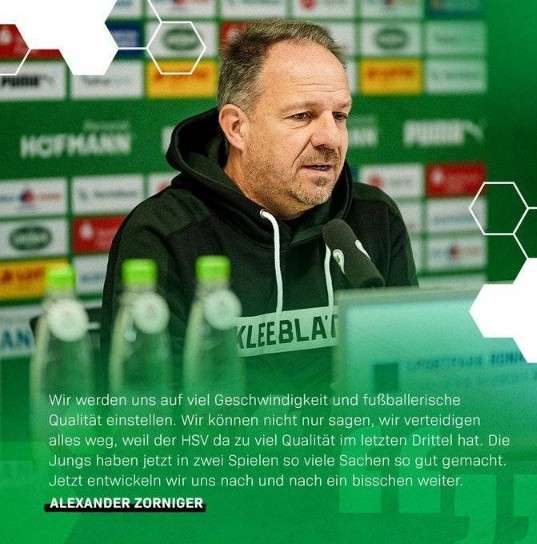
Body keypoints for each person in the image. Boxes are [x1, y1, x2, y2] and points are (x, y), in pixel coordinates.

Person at [101, 20, 417, 390]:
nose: (331, 138)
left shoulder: (374, 217)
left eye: (340, 116)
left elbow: (408, 375)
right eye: (302, 116)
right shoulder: (165, 233)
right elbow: (146, 405)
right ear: (237, 128)